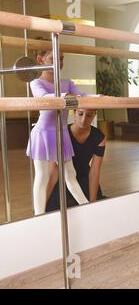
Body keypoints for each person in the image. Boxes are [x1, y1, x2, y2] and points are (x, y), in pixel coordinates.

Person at [27, 44, 99, 215]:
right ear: (40, 60)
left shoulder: (67, 83)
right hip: (43, 133)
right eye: (54, 59)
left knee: (70, 175)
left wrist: (98, 97)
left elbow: (82, 96)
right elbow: (43, 97)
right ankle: (39, 216)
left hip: (62, 134)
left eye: (61, 58)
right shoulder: (36, 82)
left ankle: (88, 209)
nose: (59, 62)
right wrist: (64, 96)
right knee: (42, 176)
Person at [46, 109, 106, 212]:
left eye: (89, 115)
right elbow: (52, 172)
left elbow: (94, 172)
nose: (83, 119)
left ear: (94, 115)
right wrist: (42, 204)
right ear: (74, 112)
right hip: (63, 180)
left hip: (85, 180)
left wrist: (92, 203)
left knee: (94, 209)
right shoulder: (61, 134)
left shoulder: (99, 137)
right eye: (80, 113)